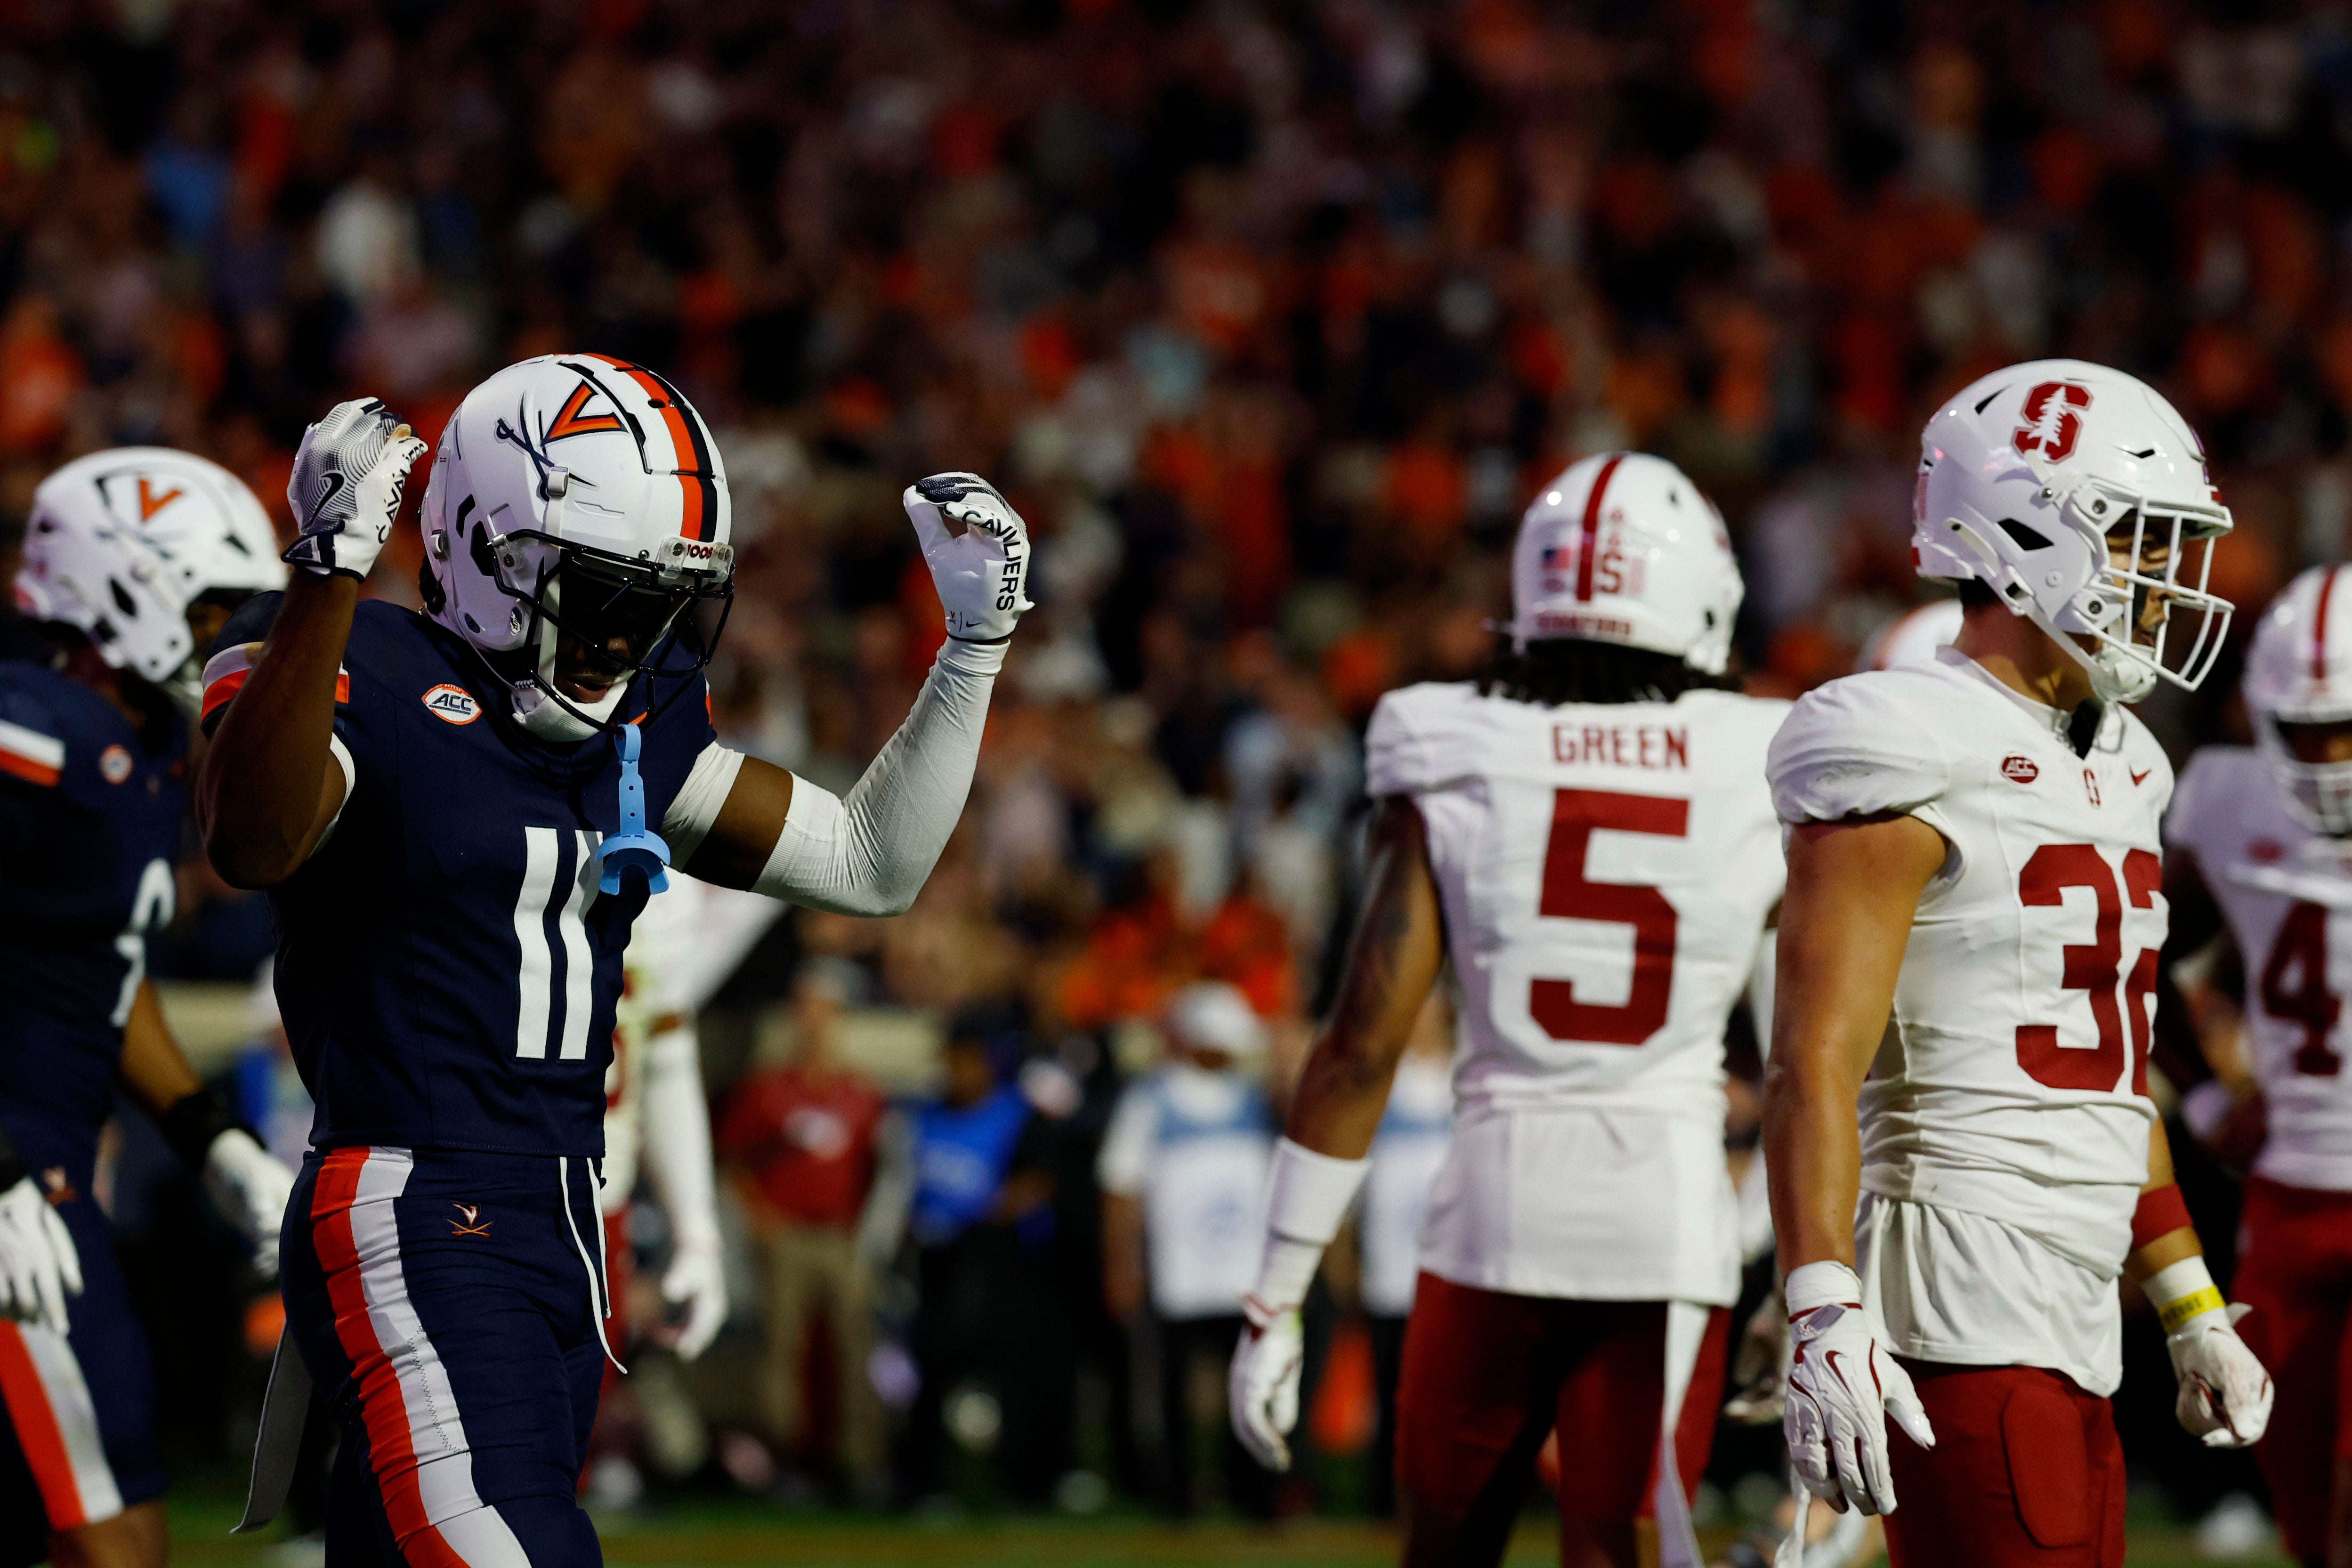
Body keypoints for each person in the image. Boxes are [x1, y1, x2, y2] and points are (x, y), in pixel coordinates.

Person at [195, 359, 1031, 1562]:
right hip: (414, 1197)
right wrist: (326, 574)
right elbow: (252, 835)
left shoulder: (634, 726)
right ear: (488, 551)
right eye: (602, 595)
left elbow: (866, 863)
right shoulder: (354, 660)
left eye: (660, 604)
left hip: (570, 1218)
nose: (630, 638)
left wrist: (974, 648)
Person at [1228, 452, 1786, 1568]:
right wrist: (1812, 1276)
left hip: (1487, 1207)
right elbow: (1812, 1063)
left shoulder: (1448, 738)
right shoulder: (1762, 752)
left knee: (1442, 1551)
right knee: (1621, 1552)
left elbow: (1358, 1044)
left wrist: (1274, 1294)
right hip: (1665, 1224)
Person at [1761, 359, 2273, 1568]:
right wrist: (1819, 1300)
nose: (2164, 584)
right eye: (2141, 540)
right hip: (1960, 1283)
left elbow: (2108, 1071)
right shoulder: (1903, 739)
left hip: (2074, 1290)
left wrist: (2189, 1300)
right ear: (2030, 537)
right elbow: (1812, 1062)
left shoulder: (2128, 759)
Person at [0, 448, 298, 1567]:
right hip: (19, 1185)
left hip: (52, 1183)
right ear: (121, 586)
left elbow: (105, 982)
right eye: (210, 604)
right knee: (111, 1541)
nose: (229, 632)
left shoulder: (141, 749)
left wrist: (210, 1137)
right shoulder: (33, 727)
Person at [2160, 563, 2352, 1568]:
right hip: (2283, 1200)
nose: (2329, 765)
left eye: (2347, 733)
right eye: (2307, 732)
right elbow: (2124, 958)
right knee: (2305, 1522)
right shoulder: (2226, 800)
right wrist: (2199, 1096)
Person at [1099, 981, 1278, 1519]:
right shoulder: (1151, 1100)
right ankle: (1178, 1496)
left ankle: (1252, 1493)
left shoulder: (1254, 1102)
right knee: (1174, 1391)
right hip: (1179, 1276)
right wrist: (1122, 1266)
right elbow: (1121, 1188)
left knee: (1247, 1389)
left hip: (1245, 1276)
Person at [717, 961, 889, 1495]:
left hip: (840, 1236)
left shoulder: (860, 1094)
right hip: (787, 1234)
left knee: (855, 1344)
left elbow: (880, 1167)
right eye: (807, 1011)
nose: (815, 1024)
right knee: (781, 1350)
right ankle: (786, 1459)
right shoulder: (768, 1090)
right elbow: (735, 1160)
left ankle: (860, 1460)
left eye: (825, 1012)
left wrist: (867, 1228)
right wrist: (762, 1219)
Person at [1357, 1001, 1452, 1520]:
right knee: (1392, 1388)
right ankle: (1384, 1499)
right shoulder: (1382, 1086)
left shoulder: (1466, 1079)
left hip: (1456, 1271)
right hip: (1391, 1271)